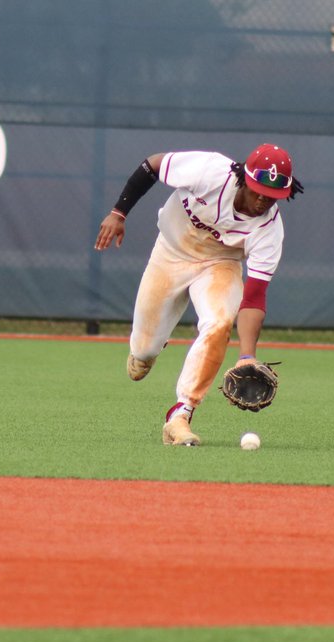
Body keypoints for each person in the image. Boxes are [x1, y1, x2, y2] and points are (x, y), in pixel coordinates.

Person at [94, 144, 303, 446]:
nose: (263, 200)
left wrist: (247, 356)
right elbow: (152, 165)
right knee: (142, 354)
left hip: (219, 265)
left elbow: (254, 298)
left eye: (272, 196)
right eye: (258, 190)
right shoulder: (210, 172)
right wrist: (118, 212)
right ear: (244, 179)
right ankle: (150, 349)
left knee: (219, 323)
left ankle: (180, 414)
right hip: (170, 253)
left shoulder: (269, 229)